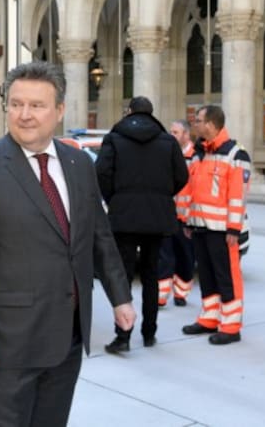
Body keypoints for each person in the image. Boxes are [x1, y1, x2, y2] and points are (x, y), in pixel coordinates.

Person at [0, 61, 136, 426]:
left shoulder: (78, 163)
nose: (24, 115)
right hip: (7, 344)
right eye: (16, 104)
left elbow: (99, 236)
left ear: (60, 110)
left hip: (66, 337)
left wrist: (120, 295)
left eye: (37, 105)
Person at [96, 97, 188, 353]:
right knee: (151, 274)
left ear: (129, 112)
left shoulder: (114, 138)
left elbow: (101, 172)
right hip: (157, 216)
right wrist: (162, 193)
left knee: (123, 276)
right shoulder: (167, 141)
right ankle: (149, 332)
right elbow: (182, 175)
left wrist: (114, 197)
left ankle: (123, 336)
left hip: (124, 215)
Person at [181, 105, 251, 345]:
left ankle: (231, 326)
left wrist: (233, 229)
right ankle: (209, 318)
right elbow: (191, 190)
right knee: (208, 276)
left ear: (210, 124)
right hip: (200, 226)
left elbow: (237, 196)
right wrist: (187, 220)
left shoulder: (236, 154)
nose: (195, 125)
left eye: (198, 121)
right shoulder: (201, 153)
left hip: (223, 231)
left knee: (227, 278)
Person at [158, 119, 197, 308]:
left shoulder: (196, 157)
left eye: (175, 132)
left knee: (185, 259)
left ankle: (181, 293)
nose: (171, 135)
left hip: (187, 219)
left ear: (186, 135)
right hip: (167, 215)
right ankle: (161, 295)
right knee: (164, 256)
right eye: (170, 131)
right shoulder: (166, 154)